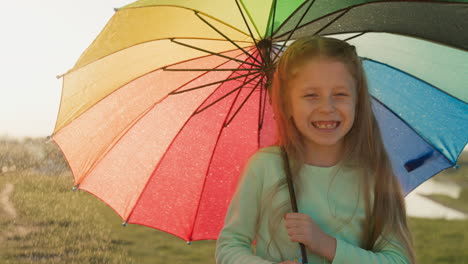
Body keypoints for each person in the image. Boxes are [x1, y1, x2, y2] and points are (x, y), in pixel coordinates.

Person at [215, 36, 415, 264]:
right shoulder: (265, 167)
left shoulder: (372, 174)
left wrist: (326, 244)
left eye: (340, 95)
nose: (326, 108)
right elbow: (230, 247)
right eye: (311, 95)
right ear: (286, 103)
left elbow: (399, 260)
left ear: (357, 102)